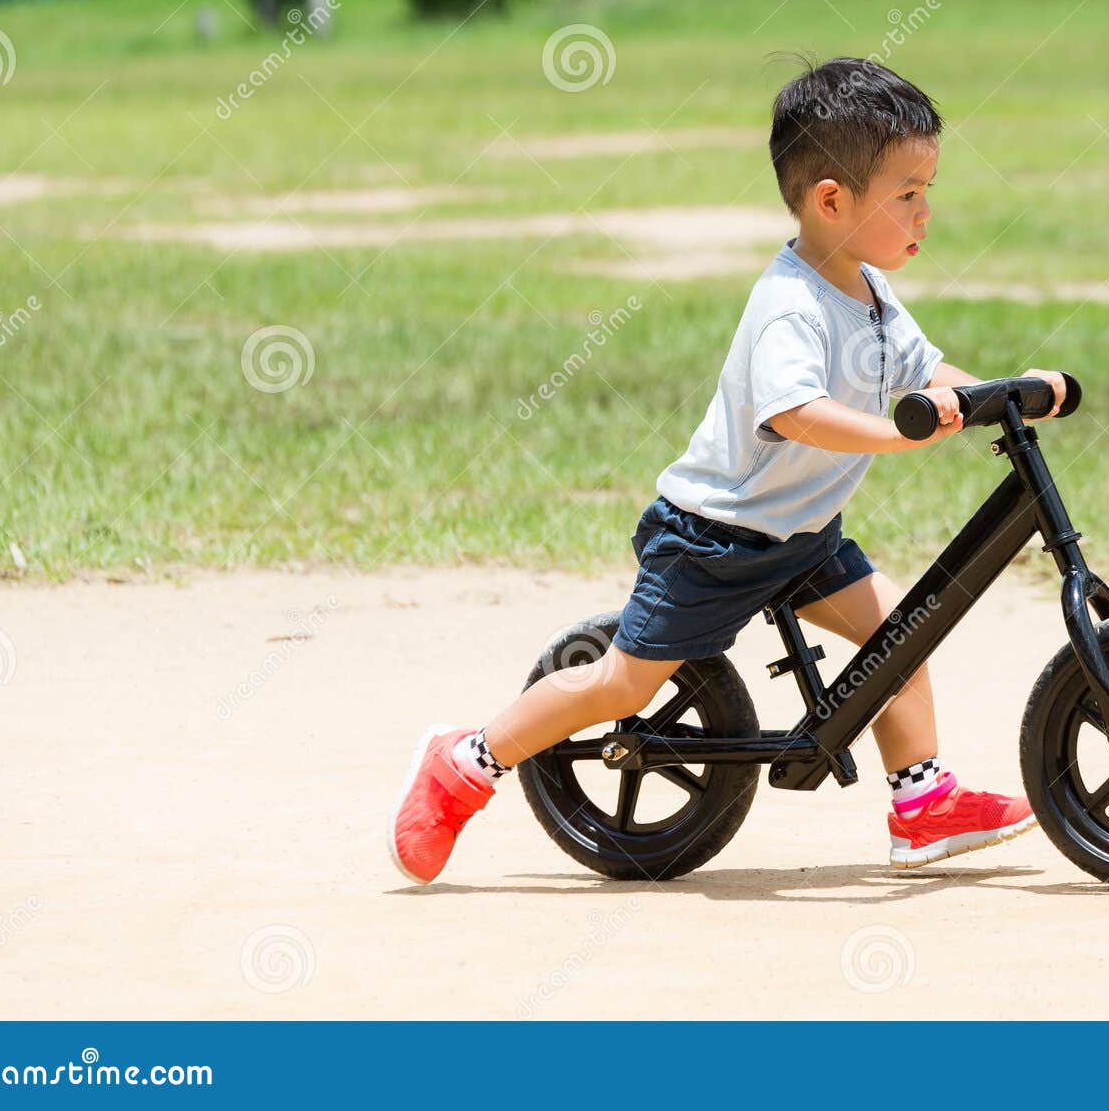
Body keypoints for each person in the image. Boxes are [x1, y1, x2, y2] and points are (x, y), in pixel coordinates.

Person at [389, 55, 1067, 885]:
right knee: (620, 686)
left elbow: (929, 375)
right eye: (909, 193)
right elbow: (794, 413)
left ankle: (921, 805)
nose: (928, 210)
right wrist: (895, 438)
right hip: (714, 537)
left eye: (928, 189)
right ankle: (466, 761)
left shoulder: (873, 292)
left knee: (905, 631)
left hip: (804, 536)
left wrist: (1012, 392)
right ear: (831, 201)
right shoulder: (790, 302)